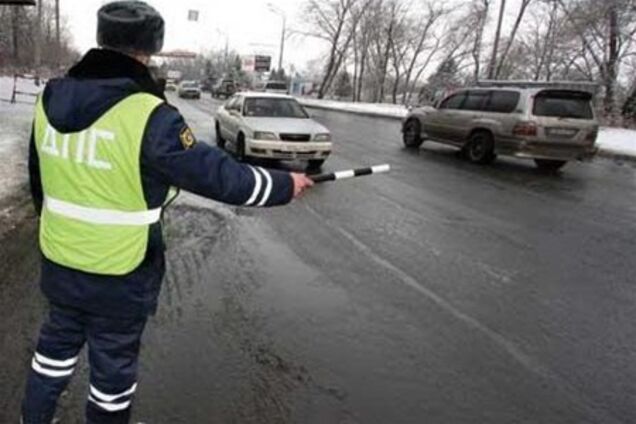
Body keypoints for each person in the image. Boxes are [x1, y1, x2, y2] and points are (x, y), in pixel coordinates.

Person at [21, 1, 314, 423]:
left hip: (60, 262)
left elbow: (38, 181)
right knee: (112, 376)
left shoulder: (49, 98)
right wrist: (284, 185)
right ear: (148, 52)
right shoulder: (149, 114)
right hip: (121, 272)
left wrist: (55, 231)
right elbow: (216, 175)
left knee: (51, 357)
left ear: (102, 39)